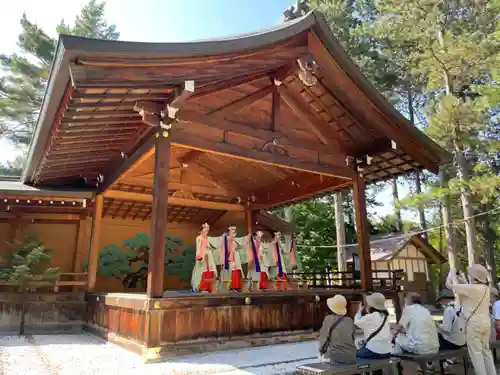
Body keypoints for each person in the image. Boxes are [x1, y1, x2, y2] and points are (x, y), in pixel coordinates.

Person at [446, 265, 496, 375]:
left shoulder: (471, 289)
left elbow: (448, 285)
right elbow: (468, 287)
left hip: (474, 323)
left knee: (476, 354)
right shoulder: (486, 289)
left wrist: (451, 274)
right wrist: (463, 278)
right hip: (485, 321)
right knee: (486, 352)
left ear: (474, 277)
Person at [354, 293, 392, 375]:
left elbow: (357, 322)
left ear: (372, 305)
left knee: (354, 354)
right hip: (387, 352)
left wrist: (359, 311)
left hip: (374, 352)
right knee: (371, 353)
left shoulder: (371, 317)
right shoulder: (386, 317)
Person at [318, 295, 356, 364]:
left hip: (335, 357)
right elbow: (353, 338)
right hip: (351, 357)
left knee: (320, 358)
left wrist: (321, 352)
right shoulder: (350, 320)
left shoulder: (328, 319)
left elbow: (323, 339)